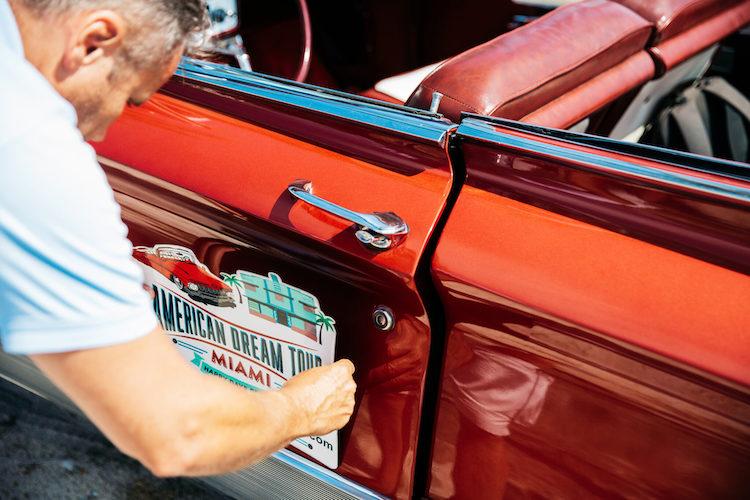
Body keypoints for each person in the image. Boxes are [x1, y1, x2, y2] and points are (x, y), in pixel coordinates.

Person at [0, 0, 356, 477]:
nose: (105, 129)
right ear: (93, 42)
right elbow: (179, 433)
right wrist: (303, 410)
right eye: (130, 97)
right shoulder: (31, 149)